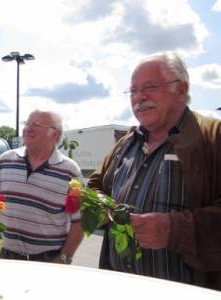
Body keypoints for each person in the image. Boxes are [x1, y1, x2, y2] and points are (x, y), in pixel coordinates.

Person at [88, 52, 221, 290]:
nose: (139, 97)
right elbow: (96, 185)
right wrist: (101, 208)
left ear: (181, 89)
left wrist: (175, 229)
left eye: (149, 87)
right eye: (133, 90)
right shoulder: (126, 142)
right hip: (119, 287)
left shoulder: (214, 137)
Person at [0, 110, 84, 264]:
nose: (27, 128)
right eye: (27, 123)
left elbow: (79, 221)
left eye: (36, 125)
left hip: (49, 261)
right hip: (8, 258)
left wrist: (64, 258)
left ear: (55, 135)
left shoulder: (70, 171)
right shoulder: (5, 161)